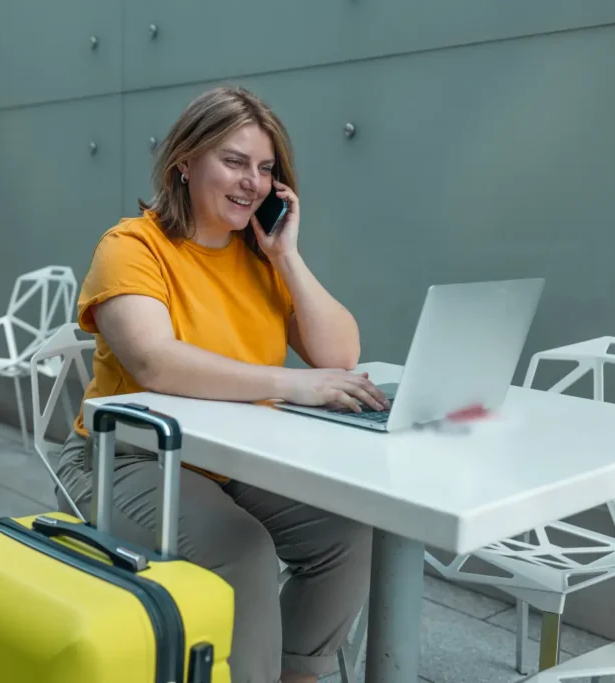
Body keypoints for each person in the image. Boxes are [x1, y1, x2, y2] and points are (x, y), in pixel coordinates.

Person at [56, 85, 390, 683]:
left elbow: (340, 355)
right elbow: (155, 361)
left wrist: (286, 255)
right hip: (124, 458)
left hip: (230, 461)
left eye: (265, 168)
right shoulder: (132, 246)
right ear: (185, 161)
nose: (252, 182)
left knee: (346, 532)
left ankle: (294, 675)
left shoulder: (260, 258)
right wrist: (292, 384)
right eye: (234, 161)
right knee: (243, 551)